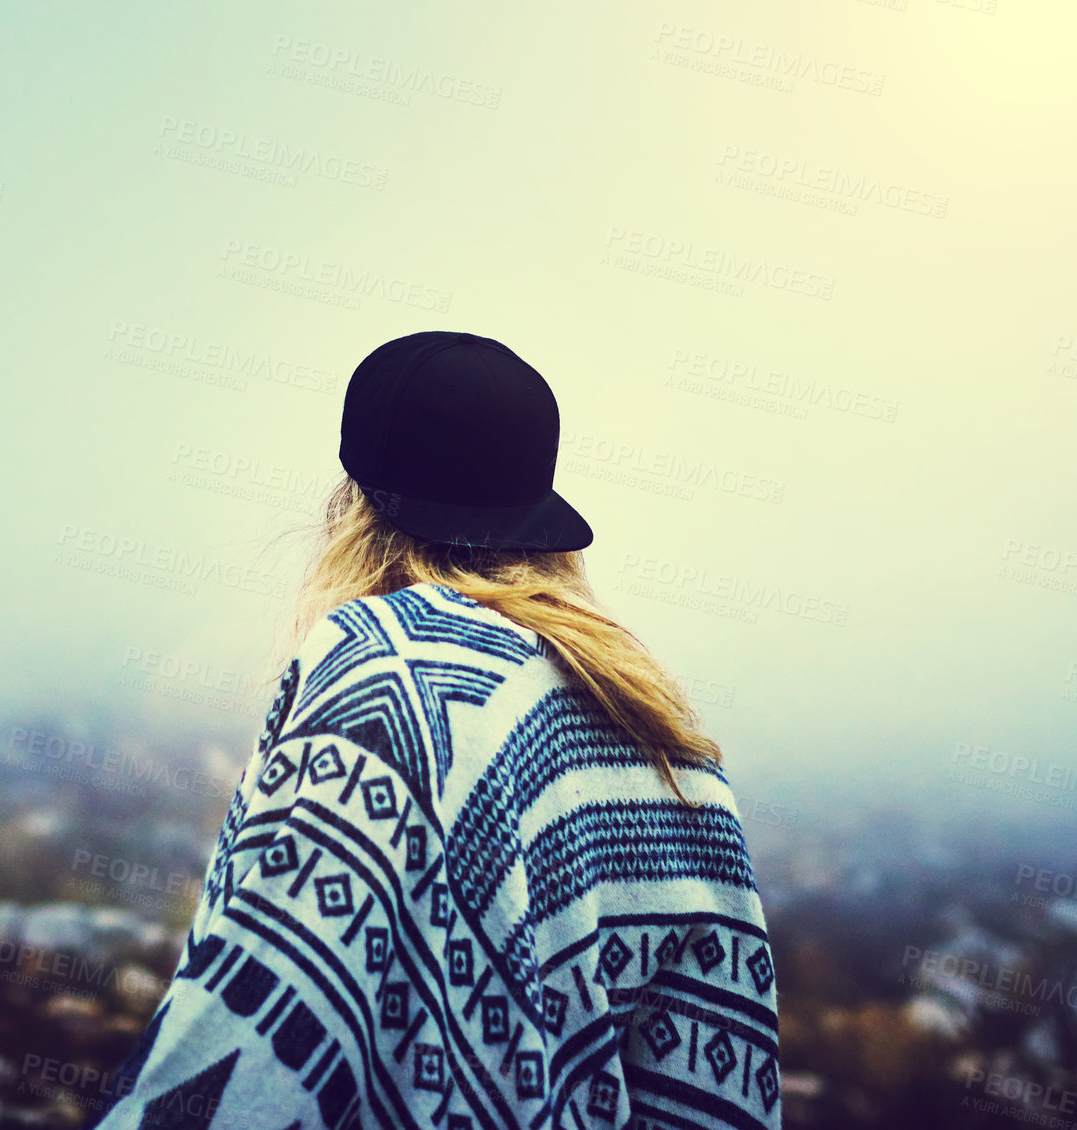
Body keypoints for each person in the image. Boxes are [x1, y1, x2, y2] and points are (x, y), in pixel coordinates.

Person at [84, 330, 781, 1130]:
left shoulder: (384, 672)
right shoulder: (667, 739)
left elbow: (253, 1026)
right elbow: (715, 1075)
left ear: (352, 504)